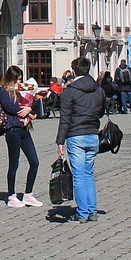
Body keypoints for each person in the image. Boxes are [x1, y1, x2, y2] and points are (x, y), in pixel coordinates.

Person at [55, 57, 107, 223]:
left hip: (76, 135)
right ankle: (92, 211)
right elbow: (101, 112)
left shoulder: (69, 92)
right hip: (92, 135)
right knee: (88, 174)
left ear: (74, 71)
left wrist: (60, 141)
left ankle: (82, 212)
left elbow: (65, 119)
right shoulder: (98, 90)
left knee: (79, 176)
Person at [0, 65, 41, 208]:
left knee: (34, 162)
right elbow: (10, 108)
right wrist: (27, 110)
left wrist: (30, 107)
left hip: (24, 129)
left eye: (21, 80)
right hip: (13, 130)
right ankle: (11, 196)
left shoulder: (21, 90)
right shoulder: (3, 91)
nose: (19, 83)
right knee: (14, 164)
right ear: (11, 78)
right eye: (17, 80)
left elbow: (33, 102)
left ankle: (28, 194)